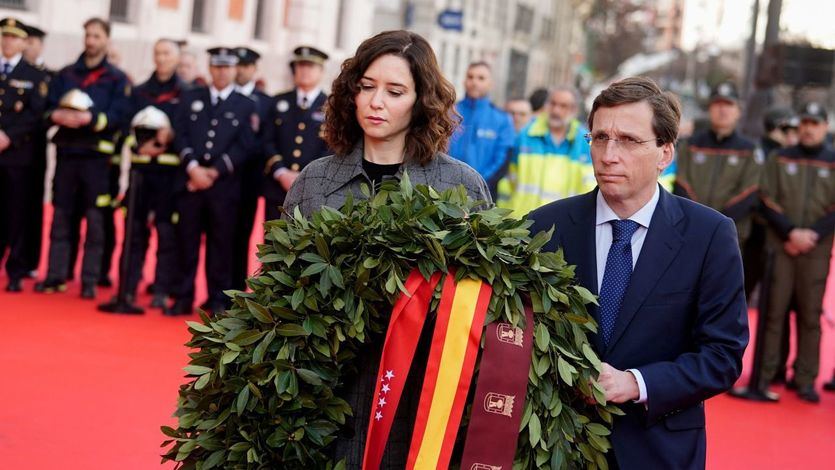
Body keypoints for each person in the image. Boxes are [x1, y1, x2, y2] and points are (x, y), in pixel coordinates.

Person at [282, 30, 491, 468]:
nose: (376, 102)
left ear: (420, 101)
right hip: (324, 401)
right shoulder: (314, 182)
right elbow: (280, 289)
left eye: (395, 91)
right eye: (367, 87)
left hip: (416, 409)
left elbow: (478, 308)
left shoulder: (460, 187)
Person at [528, 77, 748, 469]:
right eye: (599, 138)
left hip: (659, 448)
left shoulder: (709, 234)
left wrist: (637, 383)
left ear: (665, 152)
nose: (609, 155)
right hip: (557, 446)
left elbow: (723, 355)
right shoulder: (544, 227)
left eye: (629, 140)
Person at [35, 17, 131, 299]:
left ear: (107, 40)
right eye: (87, 35)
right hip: (67, 156)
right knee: (61, 217)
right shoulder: (65, 74)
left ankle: (88, 280)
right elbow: (46, 109)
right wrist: (56, 115)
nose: (90, 41)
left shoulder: (116, 78)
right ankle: (55, 275)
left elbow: (120, 116)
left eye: (96, 36)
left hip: (96, 161)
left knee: (95, 221)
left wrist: (92, 119)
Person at [164, 47, 257, 316]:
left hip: (223, 188)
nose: (221, 72)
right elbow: (179, 134)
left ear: (234, 70)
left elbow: (245, 146)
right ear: (210, 68)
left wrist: (213, 172)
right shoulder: (191, 97)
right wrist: (193, 168)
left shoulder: (246, 104)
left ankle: (218, 299)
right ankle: (182, 296)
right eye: (217, 67)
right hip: (191, 184)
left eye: (227, 68)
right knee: (186, 243)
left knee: (221, 246)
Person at [756, 102, 835, 403]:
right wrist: (790, 232)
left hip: (816, 248)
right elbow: (765, 196)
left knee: (809, 314)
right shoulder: (779, 158)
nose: (808, 128)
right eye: (804, 122)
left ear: (824, 127)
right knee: (774, 312)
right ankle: (766, 375)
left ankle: (805, 378)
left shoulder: (832, 160)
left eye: (815, 123)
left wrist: (812, 234)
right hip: (781, 245)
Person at [674, 81, 763, 295]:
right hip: (688, 234)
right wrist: (700, 223)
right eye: (717, 104)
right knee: (681, 296)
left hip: (730, 237)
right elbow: (681, 184)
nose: (722, 110)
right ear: (710, 108)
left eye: (729, 104)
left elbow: (750, 192)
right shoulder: (690, 145)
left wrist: (716, 226)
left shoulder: (749, 150)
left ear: (738, 111)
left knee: (719, 297)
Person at [115, 38, 184, 309]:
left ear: (176, 58)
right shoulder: (140, 92)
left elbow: (188, 135)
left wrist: (170, 140)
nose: (162, 58)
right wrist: (140, 145)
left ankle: (161, 289)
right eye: (157, 53)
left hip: (169, 177)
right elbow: (124, 128)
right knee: (134, 235)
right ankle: (127, 288)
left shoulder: (186, 93)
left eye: (167, 53)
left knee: (167, 236)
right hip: (140, 175)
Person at [0, 18, 48, 292]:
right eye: (4, 36)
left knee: (17, 212)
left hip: (17, 155)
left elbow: (36, 114)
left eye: (13, 37)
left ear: (23, 42)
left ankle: (16, 268)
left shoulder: (34, 75)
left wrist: (8, 136)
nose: (8, 41)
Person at [496, 86, 591, 215]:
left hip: (564, 224)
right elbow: (508, 181)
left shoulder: (585, 141)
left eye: (563, 106)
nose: (556, 110)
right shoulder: (525, 135)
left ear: (574, 110)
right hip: (522, 223)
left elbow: (589, 187)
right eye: (553, 104)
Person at [262, 45, 330, 221]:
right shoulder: (279, 101)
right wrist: (281, 172)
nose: (305, 70)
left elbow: (332, 147)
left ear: (321, 71)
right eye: (300, 66)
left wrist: (304, 176)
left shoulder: (332, 106)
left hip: (314, 189)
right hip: (278, 186)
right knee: (272, 243)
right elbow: (266, 140)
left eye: (310, 66)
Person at [230, 46, 270, 291]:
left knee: (243, 232)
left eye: (246, 66)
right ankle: (220, 289)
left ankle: (237, 288)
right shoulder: (224, 97)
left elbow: (264, 139)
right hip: (223, 178)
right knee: (221, 236)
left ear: (254, 69)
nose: (240, 70)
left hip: (249, 179)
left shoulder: (265, 102)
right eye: (238, 65)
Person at [447, 62, 514, 196]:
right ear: (464, 80)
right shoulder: (449, 113)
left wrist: (478, 184)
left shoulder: (502, 119)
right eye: (470, 77)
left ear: (490, 83)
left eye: (481, 78)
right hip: (447, 190)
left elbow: (502, 160)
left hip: (483, 193)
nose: (474, 82)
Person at [21, 23, 52, 279]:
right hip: (9, 151)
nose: (27, 46)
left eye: (32, 41)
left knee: (31, 205)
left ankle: (28, 258)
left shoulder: (47, 76)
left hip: (33, 150)